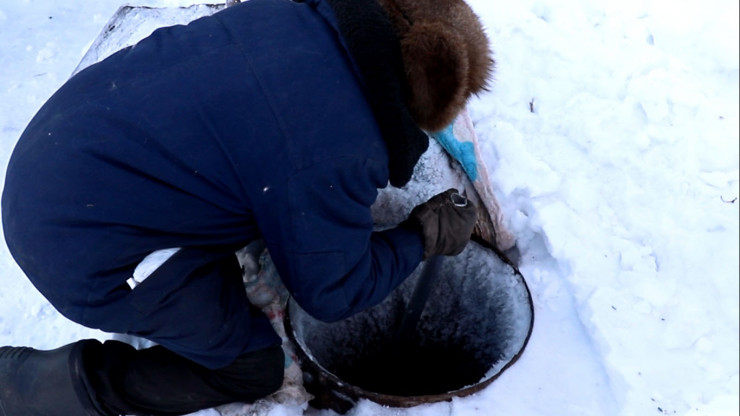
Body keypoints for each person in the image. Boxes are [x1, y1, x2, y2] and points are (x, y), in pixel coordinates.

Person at [0, 0, 492, 414]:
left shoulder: (288, 15)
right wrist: (422, 236)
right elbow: (333, 292)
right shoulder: (336, 147)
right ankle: (33, 389)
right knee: (252, 368)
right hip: (83, 246)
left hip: (61, 146)